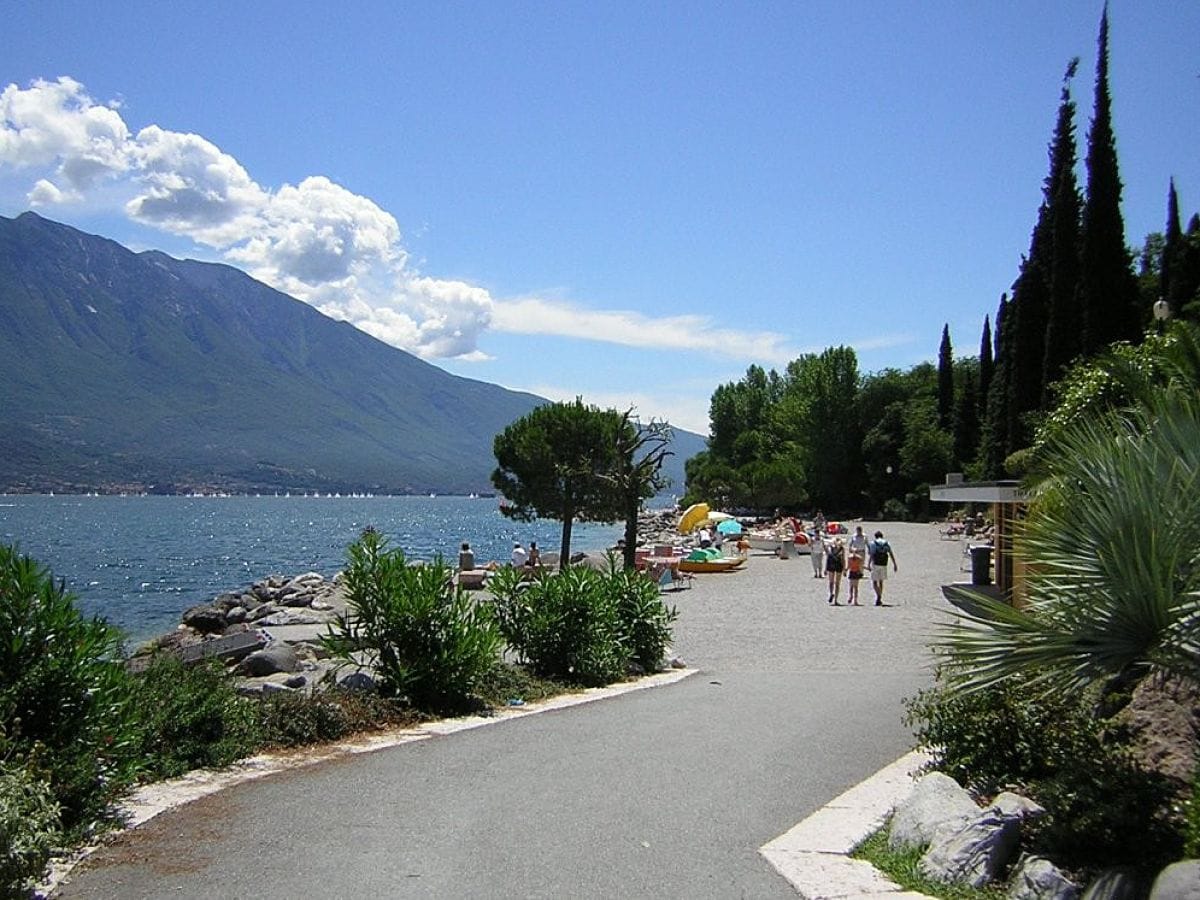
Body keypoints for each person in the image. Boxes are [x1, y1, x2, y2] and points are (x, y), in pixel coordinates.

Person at [868, 530, 898, 606]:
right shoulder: (886, 543)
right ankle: (880, 597)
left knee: (874, 582)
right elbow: (890, 553)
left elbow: (871, 554)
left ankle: (878, 596)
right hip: (884, 564)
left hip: (875, 564)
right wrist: (894, 564)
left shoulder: (873, 543)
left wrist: (868, 564)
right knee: (881, 582)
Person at [825, 538, 845, 605]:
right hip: (832, 564)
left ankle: (835, 598)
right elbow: (828, 557)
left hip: (837, 565)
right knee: (832, 582)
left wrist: (844, 569)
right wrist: (825, 568)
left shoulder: (842, 549)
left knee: (837, 583)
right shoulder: (831, 548)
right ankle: (832, 594)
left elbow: (843, 559)